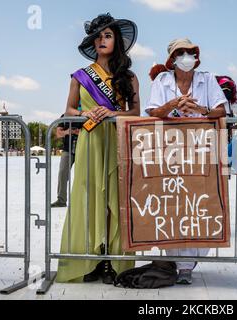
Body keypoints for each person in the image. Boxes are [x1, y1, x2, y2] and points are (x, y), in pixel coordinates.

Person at [56, 13, 140, 284]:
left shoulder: (129, 77)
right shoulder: (80, 76)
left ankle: (113, 262)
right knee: (89, 199)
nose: (102, 40)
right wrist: (86, 115)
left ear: (117, 41)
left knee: (115, 201)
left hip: (117, 141)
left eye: (108, 35)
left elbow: (136, 111)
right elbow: (68, 109)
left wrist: (113, 113)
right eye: (98, 36)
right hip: (90, 142)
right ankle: (91, 258)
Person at [146, 38, 227, 285]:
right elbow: (151, 111)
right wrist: (173, 104)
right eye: (180, 53)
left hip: (200, 151)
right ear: (172, 59)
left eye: (189, 52)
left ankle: (189, 262)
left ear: (196, 55)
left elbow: (221, 110)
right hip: (169, 151)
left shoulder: (207, 79)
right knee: (173, 204)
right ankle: (178, 260)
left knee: (198, 204)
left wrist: (201, 109)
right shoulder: (162, 81)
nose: (186, 56)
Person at [51, 114, 82, 208]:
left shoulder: (87, 113)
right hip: (68, 149)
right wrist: (68, 131)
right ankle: (61, 200)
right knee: (63, 173)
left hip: (84, 148)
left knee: (83, 175)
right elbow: (58, 133)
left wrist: (79, 132)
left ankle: (83, 200)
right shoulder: (65, 115)